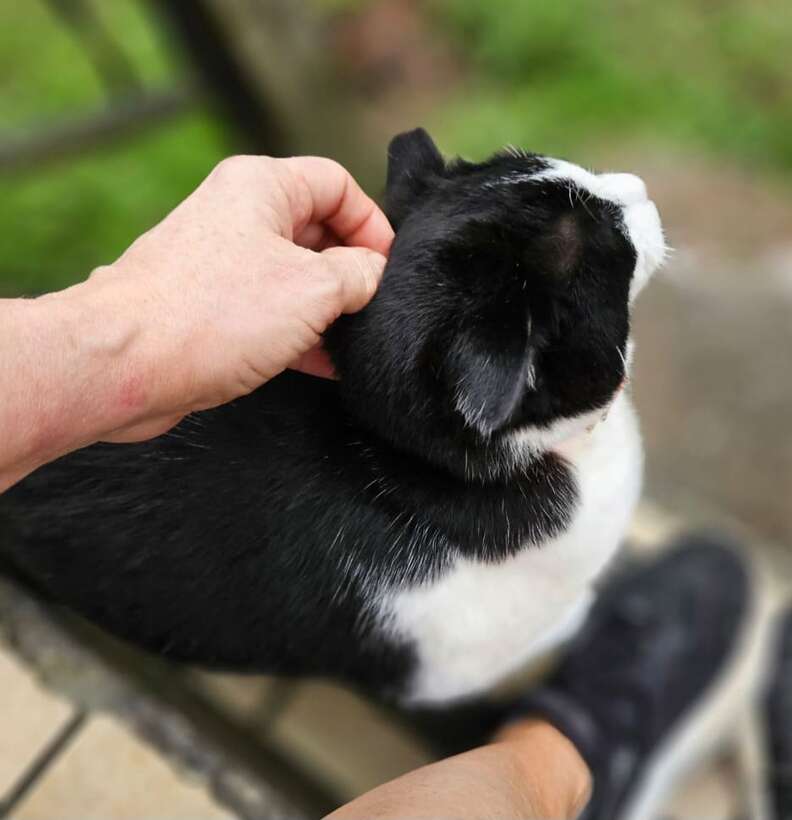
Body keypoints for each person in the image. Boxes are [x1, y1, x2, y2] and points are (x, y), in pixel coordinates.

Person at [0, 156, 786, 819]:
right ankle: (572, 765)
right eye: (600, 247)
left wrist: (120, 337)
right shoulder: (436, 597)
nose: (633, 188)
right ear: (516, 386)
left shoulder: (461, 386)